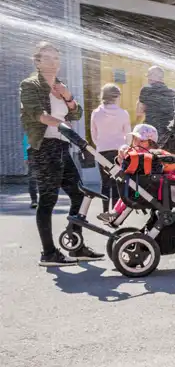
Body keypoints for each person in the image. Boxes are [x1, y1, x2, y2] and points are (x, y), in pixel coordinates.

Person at [19, 41, 103, 267]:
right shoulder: (30, 85)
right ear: (37, 61)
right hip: (44, 147)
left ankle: (75, 245)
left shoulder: (59, 85)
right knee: (48, 200)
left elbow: (77, 114)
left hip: (62, 147)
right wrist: (62, 125)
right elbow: (38, 114)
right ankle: (48, 254)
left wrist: (67, 97)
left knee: (79, 196)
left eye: (56, 57)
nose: (53, 62)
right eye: (47, 57)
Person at [90, 83, 131, 212]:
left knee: (105, 182)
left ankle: (104, 210)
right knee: (117, 182)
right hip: (119, 152)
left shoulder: (96, 113)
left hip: (102, 151)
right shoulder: (123, 114)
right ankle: (114, 212)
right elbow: (128, 135)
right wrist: (126, 148)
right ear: (117, 96)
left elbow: (94, 135)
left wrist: (101, 144)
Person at [136, 66, 175, 139]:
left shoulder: (146, 90)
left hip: (151, 132)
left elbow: (139, 112)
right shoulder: (172, 93)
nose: (148, 77)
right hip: (168, 134)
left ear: (155, 76)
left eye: (149, 75)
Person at [22, 134, 38, 209]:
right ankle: (34, 200)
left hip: (43, 149)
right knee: (32, 178)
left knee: (44, 177)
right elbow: (25, 141)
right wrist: (26, 156)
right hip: (32, 151)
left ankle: (44, 200)